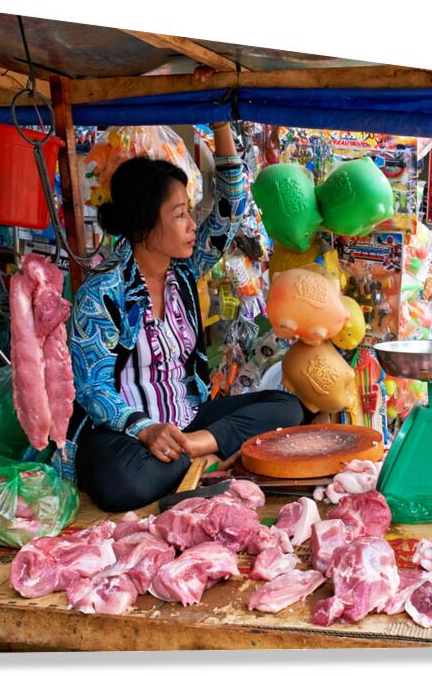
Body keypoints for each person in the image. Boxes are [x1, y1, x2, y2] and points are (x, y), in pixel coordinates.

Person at [67, 121, 312, 512]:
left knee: (288, 408)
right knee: (120, 485)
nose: (192, 225)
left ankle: (200, 449)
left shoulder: (183, 271)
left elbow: (230, 212)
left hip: (191, 419)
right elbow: (93, 389)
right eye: (180, 214)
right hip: (128, 435)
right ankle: (214, 455)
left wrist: (221, 128)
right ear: (146, 224)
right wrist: (145, 429)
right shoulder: (101, 293)